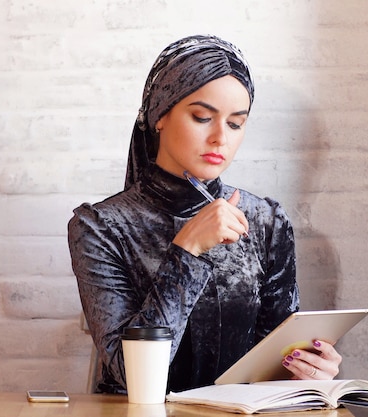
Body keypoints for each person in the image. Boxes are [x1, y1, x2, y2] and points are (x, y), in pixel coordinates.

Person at [67, 34, 342, 394]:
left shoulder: (265, 220)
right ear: (159, 116)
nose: (220, 138)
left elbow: (272, 359)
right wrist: (186, 251)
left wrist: (306, 369)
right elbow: (130, 375)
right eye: (201, 117)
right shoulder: (100, 227)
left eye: (235, 124)